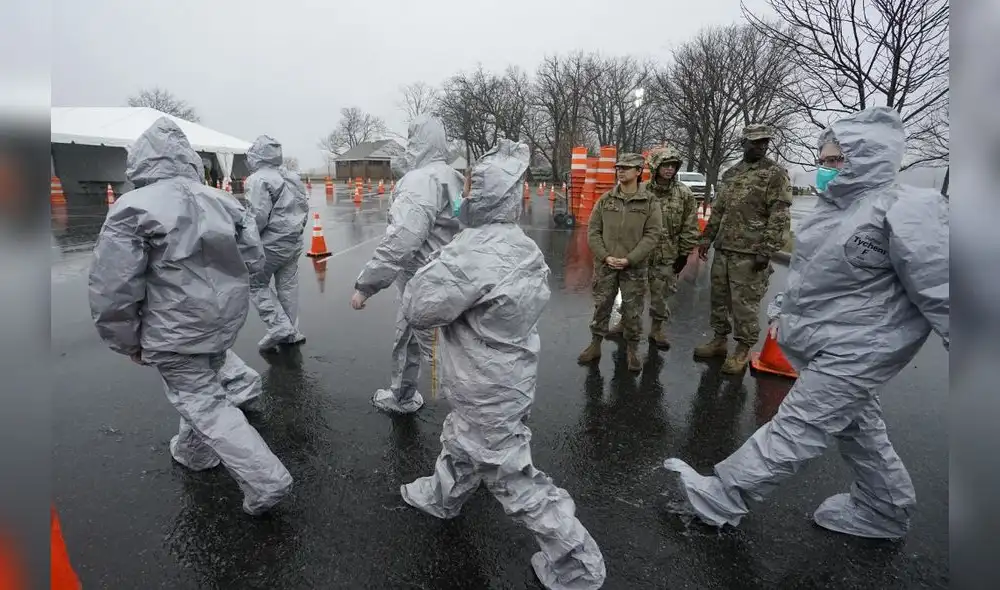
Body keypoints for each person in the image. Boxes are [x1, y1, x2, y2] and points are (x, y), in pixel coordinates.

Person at [663, 106, 949, 539]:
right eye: (825, 159)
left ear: (869, 157)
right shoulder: (835, 209)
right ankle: (884, 508)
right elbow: (818, 278)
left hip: (863, 346)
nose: (827, 168)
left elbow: (945, 287)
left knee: (799, 424)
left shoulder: (909, 208)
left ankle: (722, 496)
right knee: (857, 425)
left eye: (838, 160)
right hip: (830, 342)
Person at [399, 139, 606, 590]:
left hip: (483, 384)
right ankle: (442, 495)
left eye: (471, 186)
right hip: (508, 375)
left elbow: (419, 308)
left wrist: (434, 259)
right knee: (463, 439)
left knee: (510, 474)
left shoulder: (471, 251)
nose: (464, 192)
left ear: (484, 194)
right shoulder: (521, 245)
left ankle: (576, 563)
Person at [88, 118, 293, 515]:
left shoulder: (132, 209)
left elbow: (113, 287)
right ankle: (194, 453)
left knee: (202, 401)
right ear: (189, 159)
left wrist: (127, 340)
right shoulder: (225, 201)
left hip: (172, 329)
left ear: (142, 162)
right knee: (202, 386)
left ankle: (267, 478)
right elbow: (254, 261)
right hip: (221, 322)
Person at [350, 114, 464, 414]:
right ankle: (401, 396)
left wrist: (366, 285)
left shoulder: (419, 182)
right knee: (406, 338)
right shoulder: (451, 176)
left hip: (428, 284)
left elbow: (402, 240)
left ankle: (475, 433)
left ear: (418, 141)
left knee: (441, 358)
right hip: (435, 278)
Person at [694, 124, 792, 374]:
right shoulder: (731, 173)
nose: (760, 146)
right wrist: (706, 239)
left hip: (751, 252)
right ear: (744, 143)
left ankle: (742, 348)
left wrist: (767, 250)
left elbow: (779, 216)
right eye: (755, 142)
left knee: (744, 304)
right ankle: (719, 340)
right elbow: (718, 211)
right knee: (719, 298)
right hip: (725, 247)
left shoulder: (774, 174)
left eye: (764, 142)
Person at [577, 152, 662, 372]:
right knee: (602, 304)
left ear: (638, 172)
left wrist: (629, 259)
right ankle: (595, 344)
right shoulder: (606, 200)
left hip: (634, 266)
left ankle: (632, 349)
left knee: (633, 309)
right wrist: (606, 256)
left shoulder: (650, 201)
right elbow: (593, 231)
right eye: (619, 167)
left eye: (626, 167)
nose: (621, 170)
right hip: (606, 264)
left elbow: (652, 235)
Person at [608, 146, 699, 348]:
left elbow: (690, 225)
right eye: (665, 165)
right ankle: (625, 322)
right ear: (656, 166)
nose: (669, 169)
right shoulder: (642, 191)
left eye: (673, 166)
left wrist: (684, 254)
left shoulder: (684, 194)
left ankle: (657, 329)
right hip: (639, 253)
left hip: (667, 255)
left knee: (661, 295)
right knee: (632, 292)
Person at [245, 135, 310, 352]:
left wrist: (246, 243)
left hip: (270, 244)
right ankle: (291, 331)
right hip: (293, 241)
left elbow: (257, 216)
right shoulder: (292, 178)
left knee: (255, 283)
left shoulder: (258, 180)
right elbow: (304, 208)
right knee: (288, 286)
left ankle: (279, 326)